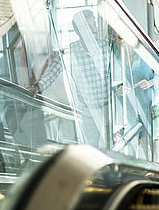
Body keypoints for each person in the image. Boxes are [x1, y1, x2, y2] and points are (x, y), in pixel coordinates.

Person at [30, 9, 114, 149]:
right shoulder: (70, 51)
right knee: (91, 151)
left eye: (94, 25)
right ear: (78, 30)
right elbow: (53, 71)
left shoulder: (106, 48)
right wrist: (38, 87)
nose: (94, 29)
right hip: (88, 112)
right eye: (89, 26)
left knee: (111, 149)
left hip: (108, 110)